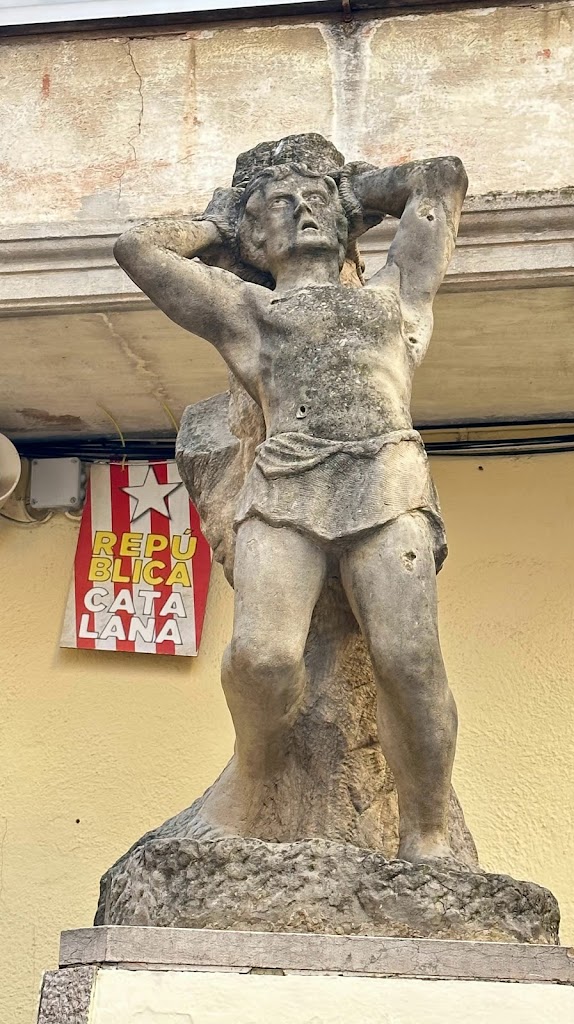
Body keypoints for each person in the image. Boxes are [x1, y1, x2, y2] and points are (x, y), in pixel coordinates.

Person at [114, 152, 468, 864]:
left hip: (388, 484)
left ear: (343, 222)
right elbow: (136, 249)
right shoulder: (246, 310)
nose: (302, 210)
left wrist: (354, 192)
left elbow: (441, 179)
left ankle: (425, 832)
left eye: (315, 201)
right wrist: (219, 218)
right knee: (261, 657)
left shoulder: (396, 295)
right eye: (281, 204)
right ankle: (251, 781)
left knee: (410, 660)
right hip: (283, 490)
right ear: (254, 239)